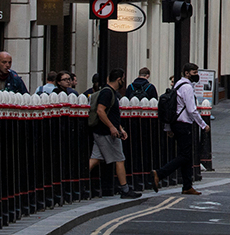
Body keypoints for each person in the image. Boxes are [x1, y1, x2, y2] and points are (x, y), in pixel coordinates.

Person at [152, 62, 210, 196]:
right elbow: (192, 110)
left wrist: (168, 127)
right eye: (194, 73)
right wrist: (203, 125)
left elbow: (172, 107)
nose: (197, 75)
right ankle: (159, 174)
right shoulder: (187, 88)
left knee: (187, 156)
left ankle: (187, 186)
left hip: (176, 124)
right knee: (184, 155)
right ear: (187, 73)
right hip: (184, 125)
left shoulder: (177, 85)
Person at [89, 68, 141, 198]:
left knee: (95, 159)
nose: (123, 81)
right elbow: (101, 111)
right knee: (119, 159)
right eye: (123, 79)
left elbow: (112, 114)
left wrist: (120, 128)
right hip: (106, 133)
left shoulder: (111, 92)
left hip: (104, 132)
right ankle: (125, 190)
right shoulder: (107, 93)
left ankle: (76, 180)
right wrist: (112, 128)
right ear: (119, 79)